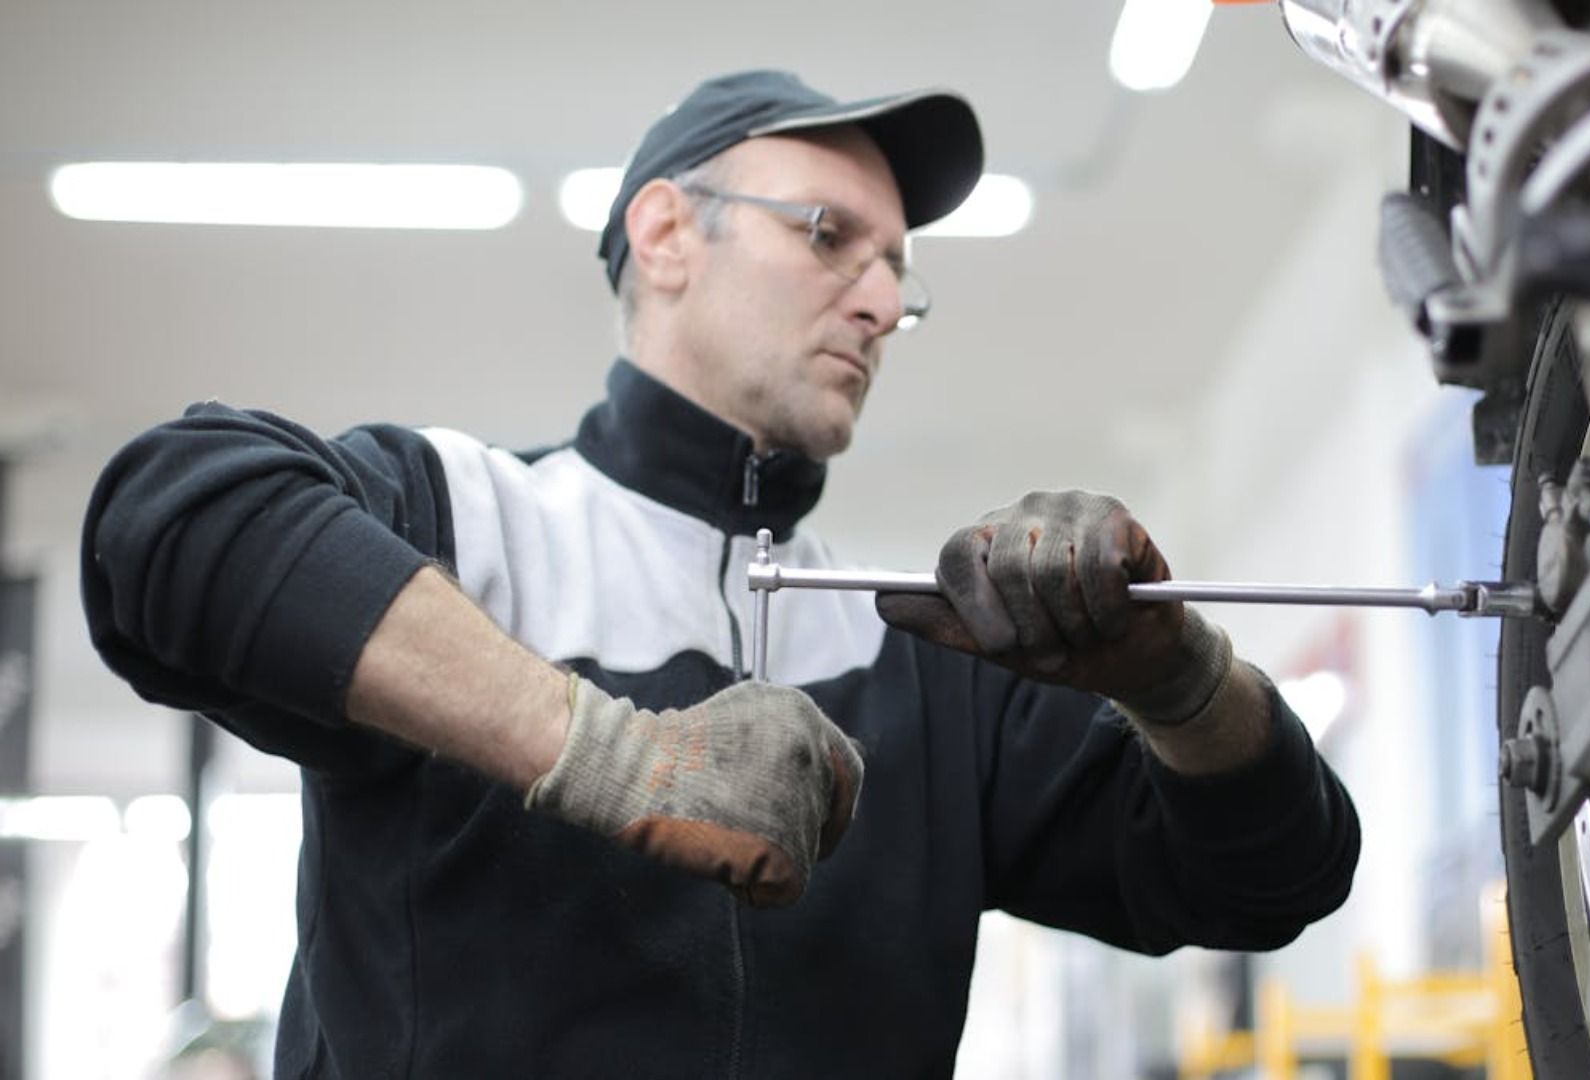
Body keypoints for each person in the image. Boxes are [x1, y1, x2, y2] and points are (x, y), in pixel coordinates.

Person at [82, 70, 1360, 1077]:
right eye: (829, 236)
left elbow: (1277, 876)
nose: (877, 299)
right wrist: (614, 755)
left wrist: (1180, 679)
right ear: (666, 233)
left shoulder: (921, 652)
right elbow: (171, 518)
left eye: (898, 275)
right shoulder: (468, 520)